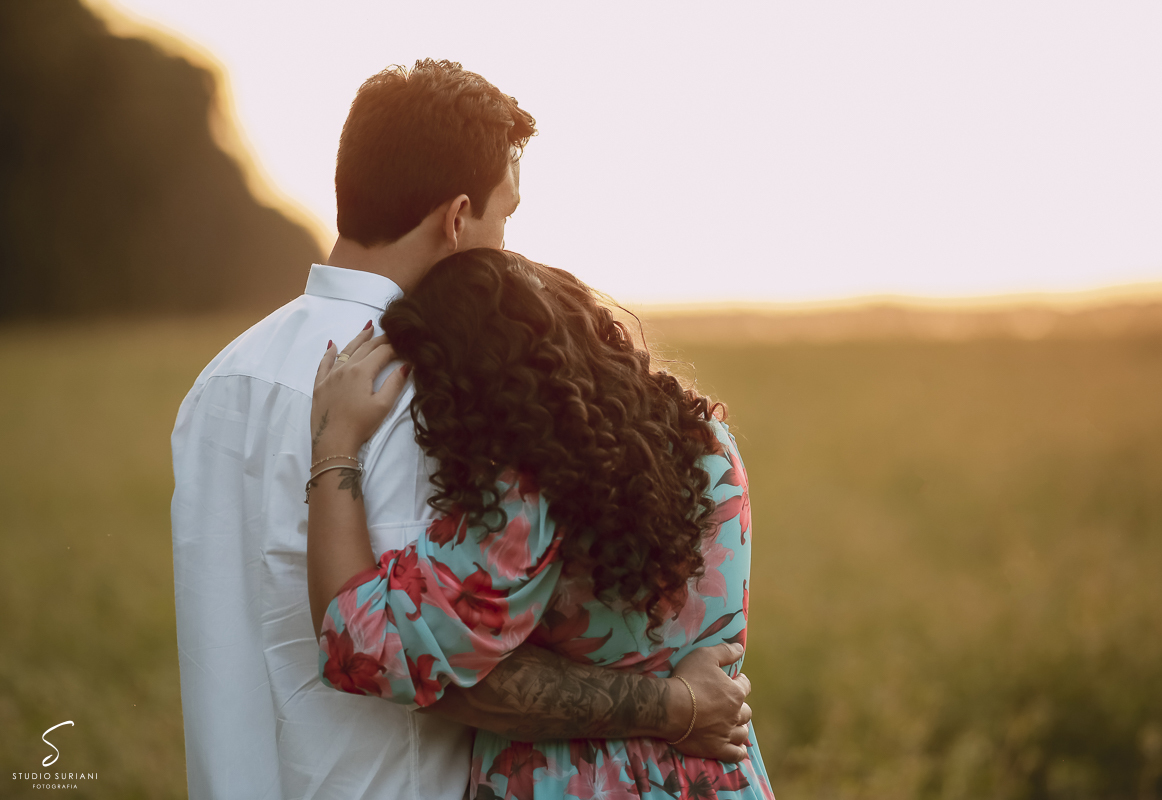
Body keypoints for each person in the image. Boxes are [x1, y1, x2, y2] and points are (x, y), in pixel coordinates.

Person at [170, 60, 751, 799]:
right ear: (456, 218)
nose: (508, 248)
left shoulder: (219, 382)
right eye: (505, 217)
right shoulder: (445, 392)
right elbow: (441, 663)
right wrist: (677, 705)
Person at [304, 249, 774, 799]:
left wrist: (335, 442)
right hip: (719, 777)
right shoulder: (710, 442)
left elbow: (363, 644)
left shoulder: (533, 498)